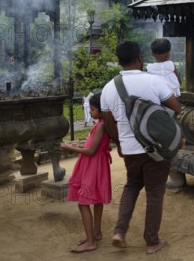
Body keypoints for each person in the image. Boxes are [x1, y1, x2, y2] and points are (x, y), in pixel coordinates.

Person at [100, 41, 181, 255]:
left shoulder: (109, 88)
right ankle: (152, 241)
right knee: (155, 193)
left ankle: (119, 231)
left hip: (129, 149)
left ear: (119, 61)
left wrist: (119, 143)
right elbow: (176, 108)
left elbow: (107, 123)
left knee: (132, 185)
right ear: (140, 58)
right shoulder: (153, 81)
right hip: (156, 148)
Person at [60, 91, 112, 253]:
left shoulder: (101, 126)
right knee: (96, 200)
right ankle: (96, 233)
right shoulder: (102, 124)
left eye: (92, 109)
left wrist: (69, 147)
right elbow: (93, 145)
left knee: (83, 202)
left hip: (93, 166)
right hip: (97, 165)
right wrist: (80, 145)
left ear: (101, 110)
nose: (90, 112)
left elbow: (91, 151)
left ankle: (90, 242)